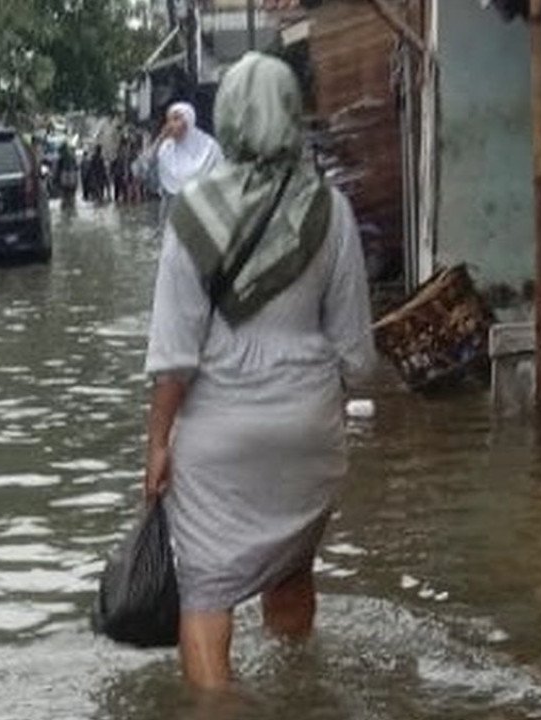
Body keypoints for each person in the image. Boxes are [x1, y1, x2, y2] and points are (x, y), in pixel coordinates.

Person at [142, 52, 376, 691]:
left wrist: (158, 444)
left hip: (218, 439)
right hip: (309, 433)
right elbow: (357, 354)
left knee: (206, 593)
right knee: (293, 570)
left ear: (229, 118)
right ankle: (299, 698)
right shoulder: (331, 211)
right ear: (293, 115)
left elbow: (173, 356)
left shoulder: (190, 213)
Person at [153, 101, 222, 220]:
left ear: (189, 120)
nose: (170, 125)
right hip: (173, 214)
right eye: (168, 120)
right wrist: (159, 140)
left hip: (204, 212)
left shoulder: (209, 147)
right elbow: (144, 172)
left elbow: (221, 179)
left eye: (176, 119)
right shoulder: (166, 149)